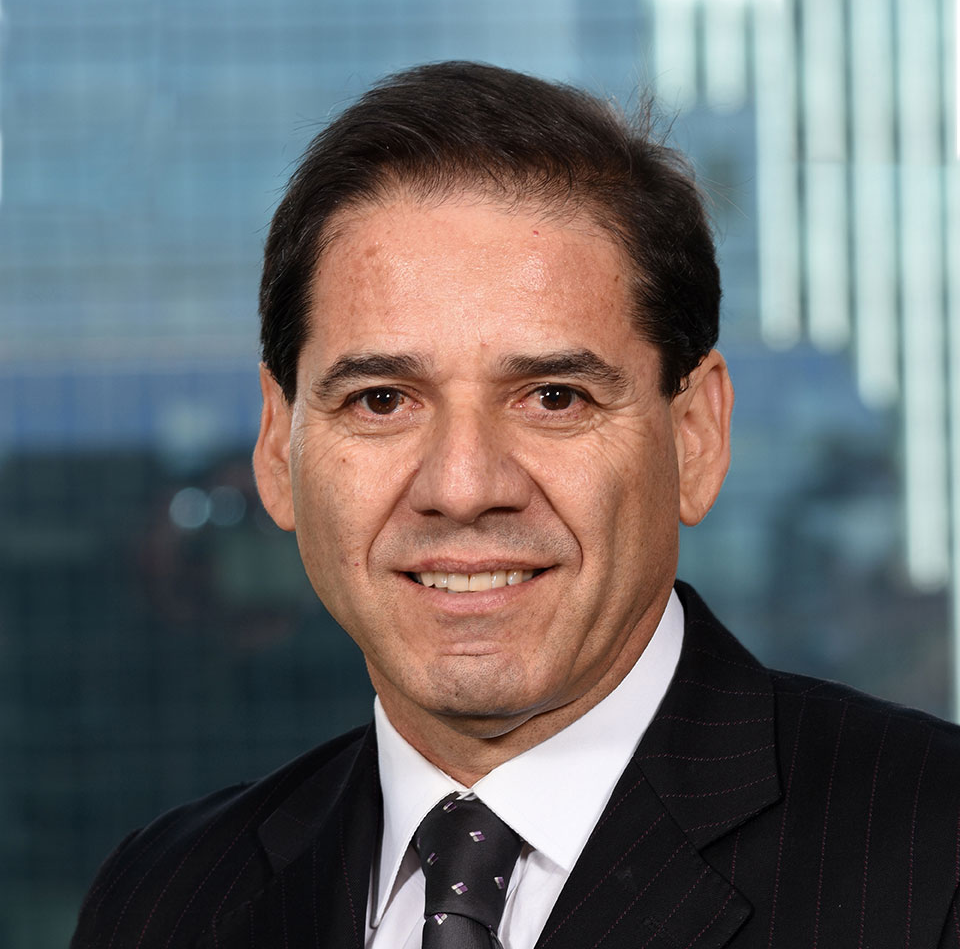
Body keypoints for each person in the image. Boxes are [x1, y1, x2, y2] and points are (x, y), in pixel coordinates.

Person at [72, 61, 960, 949]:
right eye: (382, 400)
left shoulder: (936, 857)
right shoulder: (162, 904)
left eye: (553, 398)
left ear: (694, 437)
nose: (463, 489)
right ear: (278, 449)